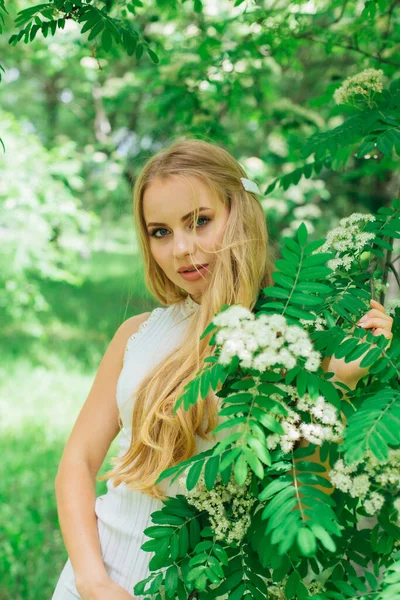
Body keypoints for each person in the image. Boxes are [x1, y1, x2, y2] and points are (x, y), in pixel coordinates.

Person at [52, 137, 393, 599]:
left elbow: (296, 504)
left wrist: (338, 381)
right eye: (161, 232)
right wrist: (92, 582)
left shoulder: (293, 342)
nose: (181, 249)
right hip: (97, 577)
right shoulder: (136, 335)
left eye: (200, 222)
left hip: (210, 585)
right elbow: (78, 461)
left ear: (241, 212)